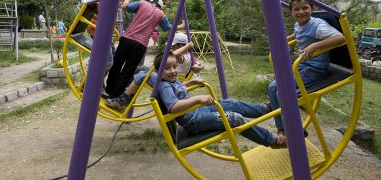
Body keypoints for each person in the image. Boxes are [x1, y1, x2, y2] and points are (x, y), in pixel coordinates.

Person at [120, 52, 286, 148]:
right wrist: (198, 99)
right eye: (167, 68)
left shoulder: (171, 80)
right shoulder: (163, 85)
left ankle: (266, 109)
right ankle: (274, 140)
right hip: (194, 120)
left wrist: (192, 82)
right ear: (157, 71)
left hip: (199, 112)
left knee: (231, 103)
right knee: (235, 118)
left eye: (174, 67)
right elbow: (174, 107)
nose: (172, 71)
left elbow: (180, 89)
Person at [268, 0, 345, 139]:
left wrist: (314, 46)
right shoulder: (299, 24)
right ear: (291, 13)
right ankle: (282, 128)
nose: (301, 12)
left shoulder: (318, 26)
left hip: (315, 69)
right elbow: (298, 34)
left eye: (305, 8)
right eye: (296, 9)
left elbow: (340, 38)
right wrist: (283, 40)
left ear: (312, 9)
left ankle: (294, 129)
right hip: (303, 65)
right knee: (272, 87)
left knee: (282, 92)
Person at [105, 0, 185, 105]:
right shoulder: (161, 14)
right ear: (160, 6)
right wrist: (181, 26)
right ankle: (115, 95)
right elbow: (169, 29)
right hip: (140, 45)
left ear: (151, 1)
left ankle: (108, 90)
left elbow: (124, 6)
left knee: (116, 65)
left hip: (127, 39)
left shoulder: (142, 3)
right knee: (128, 71)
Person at [106, 32, 204, 110]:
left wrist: (186, 47)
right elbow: (198, 63)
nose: (171, 48)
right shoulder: (189, 57)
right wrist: (199, 65)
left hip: (168, 78)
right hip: (171, 77)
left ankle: (123, 97)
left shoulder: (183, 57)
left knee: (141, 72)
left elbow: (169, 56)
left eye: (173, 46)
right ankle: (127, 92)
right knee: (141, 69)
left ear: (179, 46)